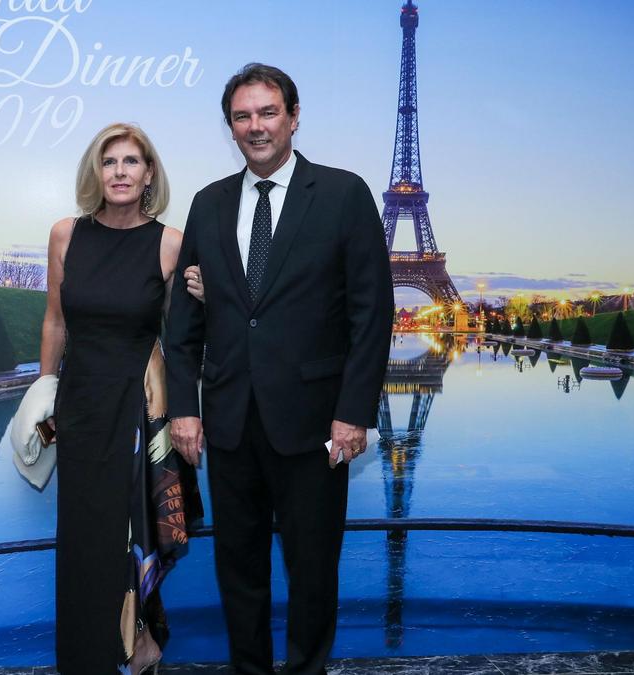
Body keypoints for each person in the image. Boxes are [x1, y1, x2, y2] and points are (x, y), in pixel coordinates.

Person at [166, 63, 393, 675]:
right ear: (230, 128)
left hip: (315, 423)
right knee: (238, 570)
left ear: (293, 117)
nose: (256, 126)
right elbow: (183, 324)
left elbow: (372, 316)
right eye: (242, 116)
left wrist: (353, 414)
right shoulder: (208, 203)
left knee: (312, 569)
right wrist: (184, 407)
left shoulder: (344, 194)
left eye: (268, 112)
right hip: (230, 423)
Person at [37, 122, 203, 674]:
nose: (120, 172)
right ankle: (84, 660)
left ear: (149, 173)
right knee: (83, 540)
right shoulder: (66, 234)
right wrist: (43, 392)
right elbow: (55, 321)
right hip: (80, 408)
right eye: (109, 162)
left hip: (137, 413)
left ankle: (139, 645)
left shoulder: (170, 242)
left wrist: (207, 297)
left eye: (131, 162)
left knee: (131, 532)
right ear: (96, 172)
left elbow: (184, 338)